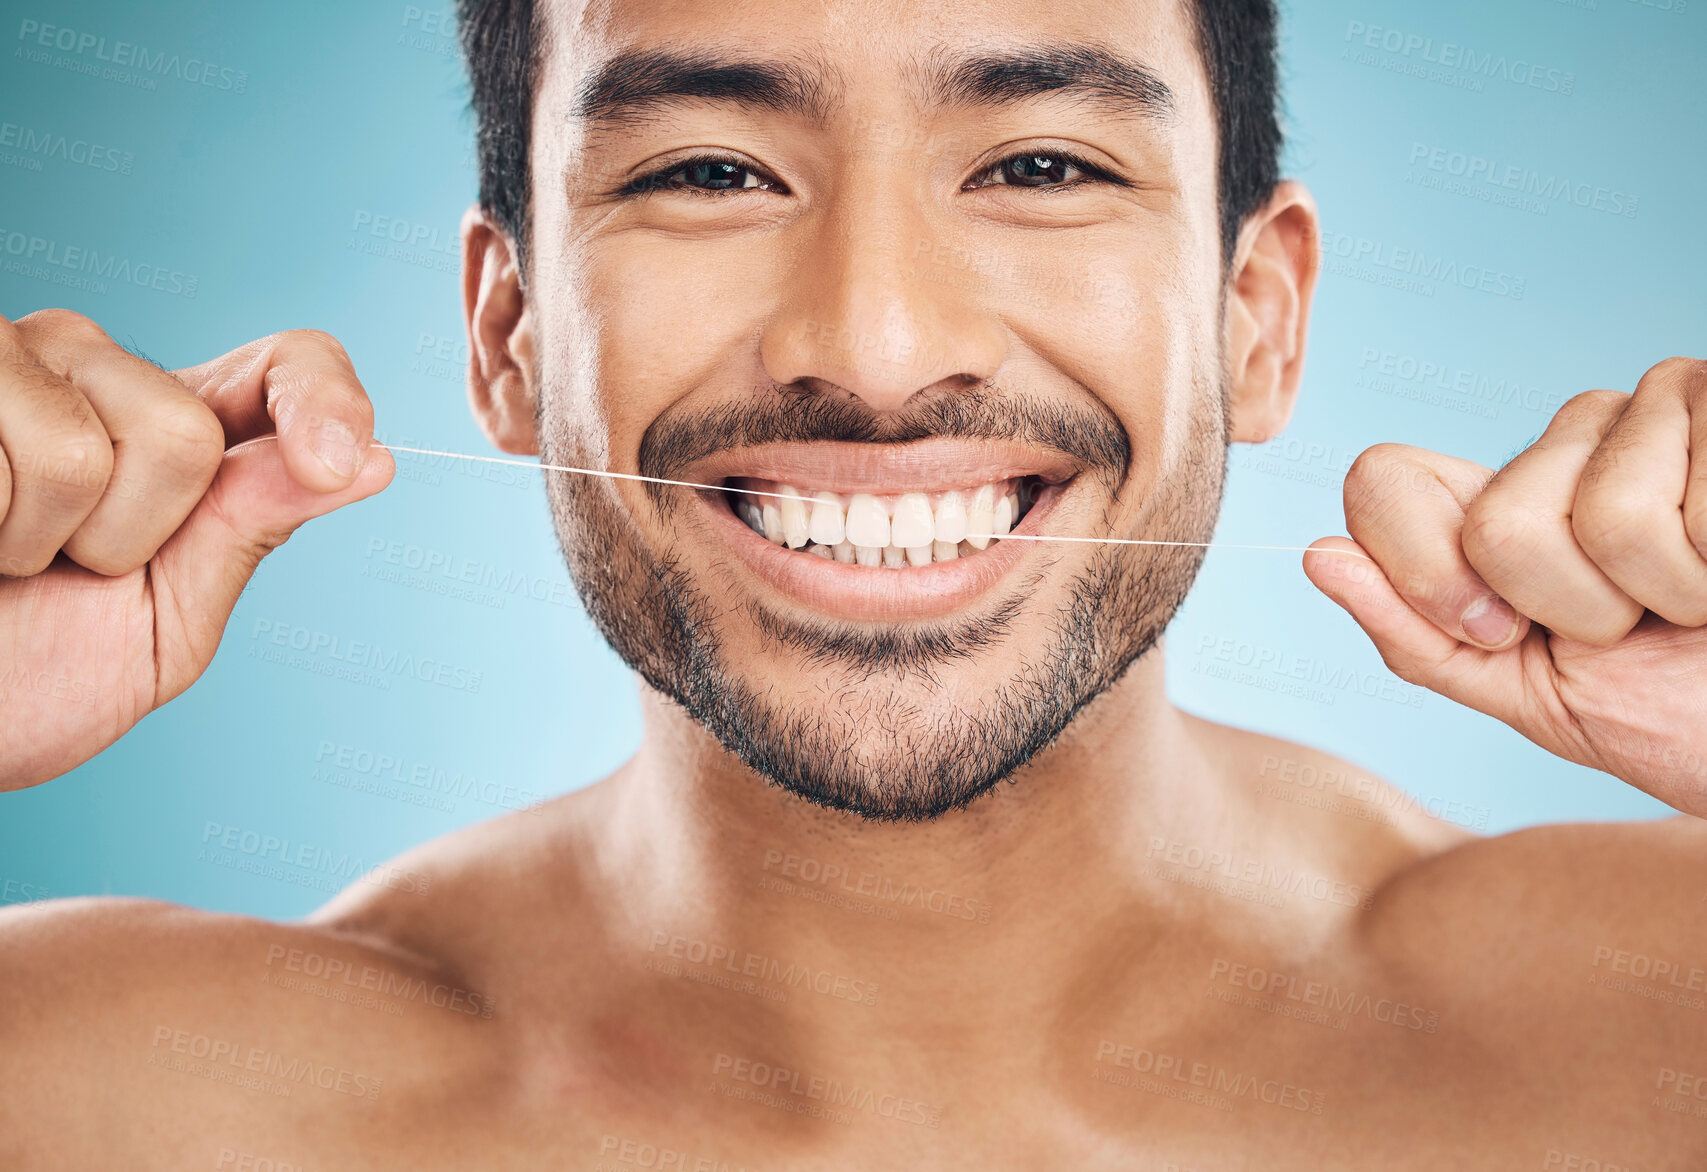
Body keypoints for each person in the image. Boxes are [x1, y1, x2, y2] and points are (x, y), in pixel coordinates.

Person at [2, 0, 1703, 1166]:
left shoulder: (1655, 1035)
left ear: (1255, 320)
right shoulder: (98, 1098)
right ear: (507, 340)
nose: (878, 352)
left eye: (1042, 166)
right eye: (706, 173)